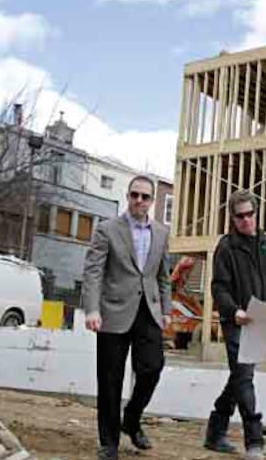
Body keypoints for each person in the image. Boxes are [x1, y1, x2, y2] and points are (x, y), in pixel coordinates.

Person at [204, 189, 266, 460]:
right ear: (232, 219)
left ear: (256, 213)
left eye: (250, 214)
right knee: (244, 376)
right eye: (240, 217)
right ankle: (255, 441)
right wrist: (234, 310)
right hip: (237, 321)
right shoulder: (226, 248)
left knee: (239, 376)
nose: (246, 220)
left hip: (263, 320)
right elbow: (219, 287)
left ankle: (215, 431)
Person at [82, 175, 172, 460]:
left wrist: (167, 310)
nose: (139, 201)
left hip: (149, 311)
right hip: (112, 312)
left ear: (152, 201)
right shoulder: (107, 230)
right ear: (128, 195)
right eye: (134, 195)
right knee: (110, 379)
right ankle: (109, 442)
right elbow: (93, 272)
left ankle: (131, 420)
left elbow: (163, 277)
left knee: (152, 368)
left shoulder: (161, 233)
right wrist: (92, 309)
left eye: (145, 197)